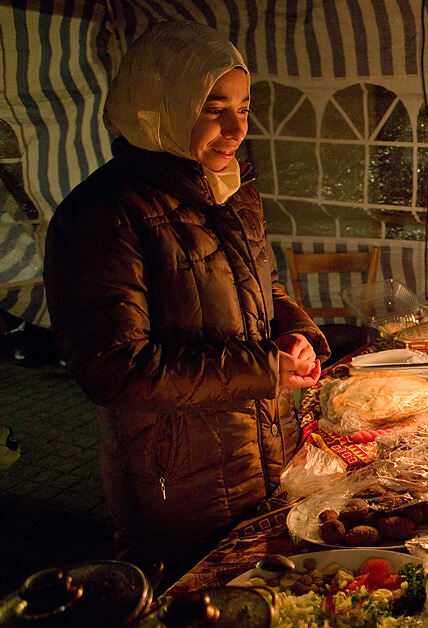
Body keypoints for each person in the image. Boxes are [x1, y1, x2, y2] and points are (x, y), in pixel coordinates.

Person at [43, 21, 329, 586]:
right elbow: (116, 370)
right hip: (177, 486)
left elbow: (261, 289)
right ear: (158, 107)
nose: (234, 129)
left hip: (264, 454)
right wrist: (266, 369)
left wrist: (297, 334)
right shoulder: (103, 215)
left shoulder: (230, 189)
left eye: (244, 107)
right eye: (212, 107)